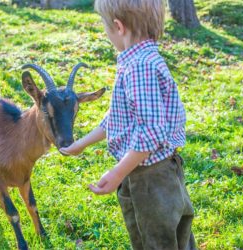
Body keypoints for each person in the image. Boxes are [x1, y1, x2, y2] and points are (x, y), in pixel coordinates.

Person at [60, 0, 195, 249]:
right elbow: (119, 117)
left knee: (157, 241)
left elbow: (151, 132)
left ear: (118, 27)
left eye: (104, 26)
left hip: (151, 179)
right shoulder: (141, 60)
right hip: (156, 172)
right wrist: (82, 143)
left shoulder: (139, 67)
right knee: (175, 238)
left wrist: (117, 173)